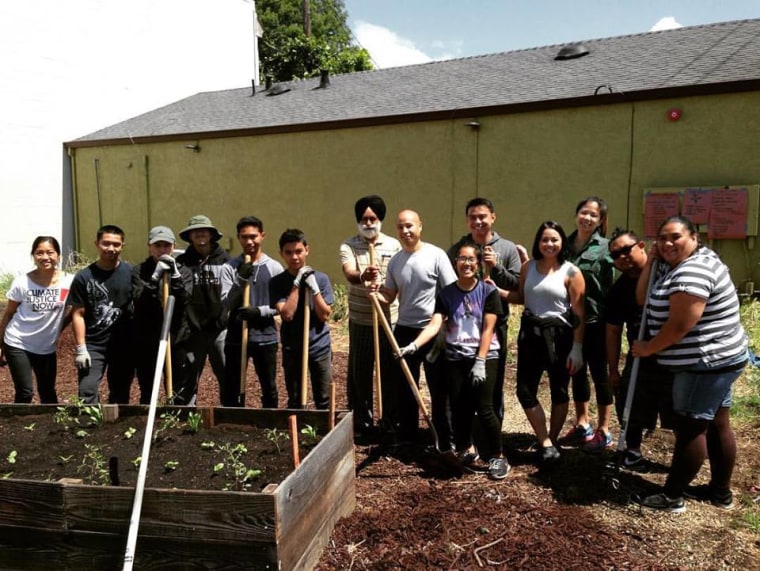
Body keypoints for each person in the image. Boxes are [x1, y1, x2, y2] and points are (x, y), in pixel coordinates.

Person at [633, 216, 748, 513]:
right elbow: (642, 299)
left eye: (675, 237)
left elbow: (679, 326)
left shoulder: (692, 273)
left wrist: (648, 348)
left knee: (691, 427)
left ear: (694, 238)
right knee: (717, 423)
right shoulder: (682, 264)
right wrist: (650, 263)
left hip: (704, 363)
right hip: (721, 358)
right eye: (662, 238)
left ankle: (672, 497)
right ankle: (719, 493)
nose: (668, 243)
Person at [400, 241, 508, 479]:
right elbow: (436, 323)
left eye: (471, 260)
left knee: (485, 407)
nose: (466, 264)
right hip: (456, 356)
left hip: (484, 356)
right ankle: (466, 449)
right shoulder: (447, 293)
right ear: (455, 263)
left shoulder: (488, 292)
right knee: (460, 406)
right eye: (462, 259)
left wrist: (480, 360)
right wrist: (414, 344)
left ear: (478, 265)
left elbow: (489, 329)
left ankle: (498, 457)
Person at [507, 221, 585, 465]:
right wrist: (496, 290)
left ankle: (553, 440)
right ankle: (544, 440)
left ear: (562, 242)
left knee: (559, 389)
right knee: (524, 389)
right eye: (544, 240)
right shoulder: (528, 267)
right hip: (531, 333)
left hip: (560, 336)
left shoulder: (571, 272)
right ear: (537, 243)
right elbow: (521, 297)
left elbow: (579, 314)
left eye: (554, 240)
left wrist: (577, 348)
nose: (549, 244)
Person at [448, 197, 527, 426]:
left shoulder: (507, 248)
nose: (478, 221)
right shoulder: (459, 248)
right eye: (473, 217)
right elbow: (449, 281)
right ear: (467, 221)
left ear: (493, 217)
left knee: (492, 380)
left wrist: (496, 268)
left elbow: (517, 285)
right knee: (464, 379)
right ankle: (466, 432)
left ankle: (492, 430)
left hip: (496, 324)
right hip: (464, 324)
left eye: (482, 216)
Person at [381, 209, 457, 444]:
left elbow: (452, 291)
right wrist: (375, 291)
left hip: (433, 329)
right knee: (405, 387)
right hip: (404, 328)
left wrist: (446, 321)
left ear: (420, 226)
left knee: (439, 387)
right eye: (401, 227)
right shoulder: (395, 261)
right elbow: (389, 296)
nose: (405, 231)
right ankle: (409, 437)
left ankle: (445, 438)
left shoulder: (436, 255)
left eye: (409, 226)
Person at [605, 228, 674, 467]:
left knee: (678, 410)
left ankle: (687, 454)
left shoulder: (666, 272)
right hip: (640, 354)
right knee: (630, 402)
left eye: (626, 250)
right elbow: (613, 331)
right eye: (616, 255)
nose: (622, 257)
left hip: (673, 353)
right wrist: (612, 369)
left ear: (641, 246)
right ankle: (632, 449)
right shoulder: (617, 290)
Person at [339, 195, 401, 440]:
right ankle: (362, 423)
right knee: (360, 372)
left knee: (388, 371)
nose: (368, 223)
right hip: (361, 319)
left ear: (380, 219)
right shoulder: (349, 245)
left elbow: (399, 277)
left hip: (388, 318)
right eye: (364, 219)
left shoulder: (394, 246)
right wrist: (363, 275)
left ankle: (389, 421)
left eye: (373, 218)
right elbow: (350, 273)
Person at [560, 197, 615, 452]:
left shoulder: (606, 248)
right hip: (569, 322)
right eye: (584, 212)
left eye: (594, 215)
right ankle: (583, 423)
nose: (587, 218)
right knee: (576, 372)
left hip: (597, 322)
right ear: (576, 215)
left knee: (600, 375)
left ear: (600, 220)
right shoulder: (565, 245)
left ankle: (604, 428)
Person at [0, 236, 73, 403]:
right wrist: (0, 345)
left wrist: (60, 325)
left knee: (48, 391)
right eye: (39, 253)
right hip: (18, 342)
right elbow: (9, 313)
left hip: (46, 347)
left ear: (59, 255)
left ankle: (53, 427)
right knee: (25, 392)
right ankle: (19, 426)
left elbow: (76, 311)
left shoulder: (69, 281)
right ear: (33, 256)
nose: (45, 257)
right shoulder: (22, 282)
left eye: (50, 252)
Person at [221, 216, 283, 407]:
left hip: (266, 336)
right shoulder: (229, 267)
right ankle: (233, 423)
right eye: (244, 237)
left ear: (262, 236)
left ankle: (270, 423)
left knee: (268, 385)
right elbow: (226, 303)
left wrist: (260, 311)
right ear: (238, 238)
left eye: (253, 236)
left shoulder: (274, 268)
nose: (249, 242)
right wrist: (240, 280)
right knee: (233, 385)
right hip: (237, 336)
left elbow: (281, 304)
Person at [68, 225, 134, 404]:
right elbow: (78, 314)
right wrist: (81, 348)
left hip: (123, 344)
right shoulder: (84, 277)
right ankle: (89, 427)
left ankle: (115, 429)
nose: (111, 248)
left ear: (122, 246)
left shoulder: (131, 274)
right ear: (97, 244)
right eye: (106, 243)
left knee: (120, 392)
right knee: (87, 390)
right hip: (94, 344)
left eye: (116, 244)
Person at [269, 229, 334, 409]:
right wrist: (297, 285)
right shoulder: (277, 282)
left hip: (319, 345)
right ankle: (298, 434)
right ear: (281, 254)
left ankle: (326, 434)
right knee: (296, 400)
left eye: (298, 251)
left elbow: (324, 315)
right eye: (288, 253)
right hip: (293, 348)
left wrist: (315, 290)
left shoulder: (321, 279)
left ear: (307, 250)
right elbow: (287, 314)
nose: (294, 257)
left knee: (324, 398)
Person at [131, 226, 192, 404]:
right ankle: (147, 423)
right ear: (149, 246)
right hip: (148, 339)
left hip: (176, 338)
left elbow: (185, 300)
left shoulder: (184, 271)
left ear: (173, 246)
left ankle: (175, 422)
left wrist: (175, 275)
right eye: (157, 245)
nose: (162, 250)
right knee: (148, 389)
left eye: (166, 245)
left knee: (177, 390)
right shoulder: (139, 271)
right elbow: (139, 300)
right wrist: (155, 277)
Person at [174, 215, 231, 405]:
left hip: (219, 329)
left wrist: (223, 317)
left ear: (212, 234)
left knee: (226, 373)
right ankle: (187, 418)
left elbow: (233, 294)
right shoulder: (182, 262)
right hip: (193, 330)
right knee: (188, 376)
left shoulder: (226, 261)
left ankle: (229, 414)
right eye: (195, 231)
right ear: (189, 236)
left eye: (204, 230)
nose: (200, 234)